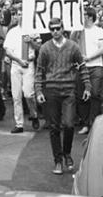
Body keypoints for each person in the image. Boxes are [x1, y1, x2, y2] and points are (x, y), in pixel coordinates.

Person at [35, 18, 91, 175]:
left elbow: (82, 67)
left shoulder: (73, 47)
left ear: (63, 28)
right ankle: (58, 160)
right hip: (51, 90)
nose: (55, 31)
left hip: (68, 90)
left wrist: (87, 86)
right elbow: (39, 71)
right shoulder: (45, 48)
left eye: (57, 28)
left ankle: (67, 153)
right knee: (53, 127)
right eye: (52, 29)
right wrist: (39, 91)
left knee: (69, 124)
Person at [71, 7, 103, 135]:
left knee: (95, 94)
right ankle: (86, 122)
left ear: (90, 16)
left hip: (96, 66)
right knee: (81, 95)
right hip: (81, 67)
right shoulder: (78, 31)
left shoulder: (100, 31)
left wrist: (89, 57)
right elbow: (71, 43)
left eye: (84, 15)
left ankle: (93, 122)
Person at [3, 7, 40, 133]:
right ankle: (19, 123)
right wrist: (18, 60)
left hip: (28, 64)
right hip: (16, 65)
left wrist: (31, 42)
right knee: (16, 96)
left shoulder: (33, 30)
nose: (20, 16)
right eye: (18, 14)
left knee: (28, 94)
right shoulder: (12, 32)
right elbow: (7, 50)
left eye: (22, 14)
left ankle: (34, 114)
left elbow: (38, 46)